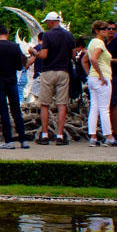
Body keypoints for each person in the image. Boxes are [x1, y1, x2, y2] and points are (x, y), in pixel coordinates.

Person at [27, 11, 76, 145]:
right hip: (64, 71)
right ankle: (60, 135)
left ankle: (45, 134)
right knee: (62, 104)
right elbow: (73, 54)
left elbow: (43, 55)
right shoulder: (69, 35)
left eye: (48, 22)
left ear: (51, 21)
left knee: (45, 104)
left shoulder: (48, 36)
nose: (47, 25)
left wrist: (34, 52)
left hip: (48, 71)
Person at [0, 24, 30, 149]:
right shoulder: (15, 47)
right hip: (11, 80)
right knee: (16, 110)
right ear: (8, 34)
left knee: (3, 110)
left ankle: (9, 140)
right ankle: (23, 139)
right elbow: (18, 65)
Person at [87, 20, 117, 147]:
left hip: (92, 78)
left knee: (94, 108)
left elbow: (86, 59)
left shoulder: (91, 43)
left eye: (108, 28)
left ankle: (93, 137)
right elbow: (94, 58)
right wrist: (101, 74)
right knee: (104, 108)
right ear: (97, 31)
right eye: (104, 28)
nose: (107, 30)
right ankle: (109, 137)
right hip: (102, 77)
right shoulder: (100, 43)